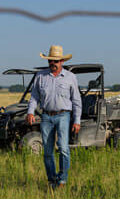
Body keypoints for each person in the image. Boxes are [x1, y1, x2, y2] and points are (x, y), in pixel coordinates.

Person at [26, 45, 82, 189]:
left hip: (63, 115)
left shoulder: (70, 77)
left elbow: (76, 100)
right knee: (48, 150)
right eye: (50, 60)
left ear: (62, 61)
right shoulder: (41, 76)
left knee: (63, 148)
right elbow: (34, 96)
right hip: (46, 116)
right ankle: (52, 180)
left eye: (56, 61)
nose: (53, 63)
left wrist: (76, 121)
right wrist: (30, 112)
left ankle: (62, 180)